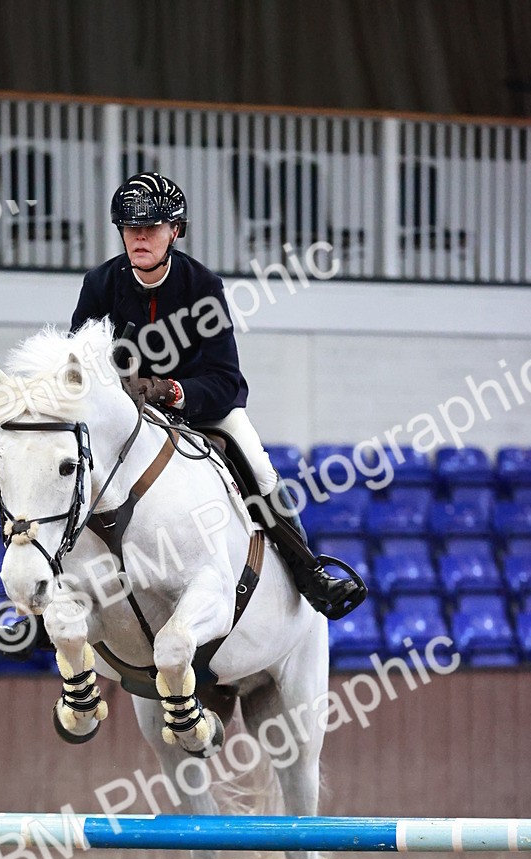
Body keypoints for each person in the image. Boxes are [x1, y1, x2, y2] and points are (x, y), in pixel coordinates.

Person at [70, 171, 366, 620]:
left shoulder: (202, 286)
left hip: (198, 411)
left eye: (151, 228)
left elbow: (226, 379)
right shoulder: (100, 284)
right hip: (125, 417)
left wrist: (167, 389)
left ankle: (309, 574)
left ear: (175, 231)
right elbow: (79, 363)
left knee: (261, 471)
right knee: (62, 466)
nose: (140, 238)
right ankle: (50, 590)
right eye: (132, 229)